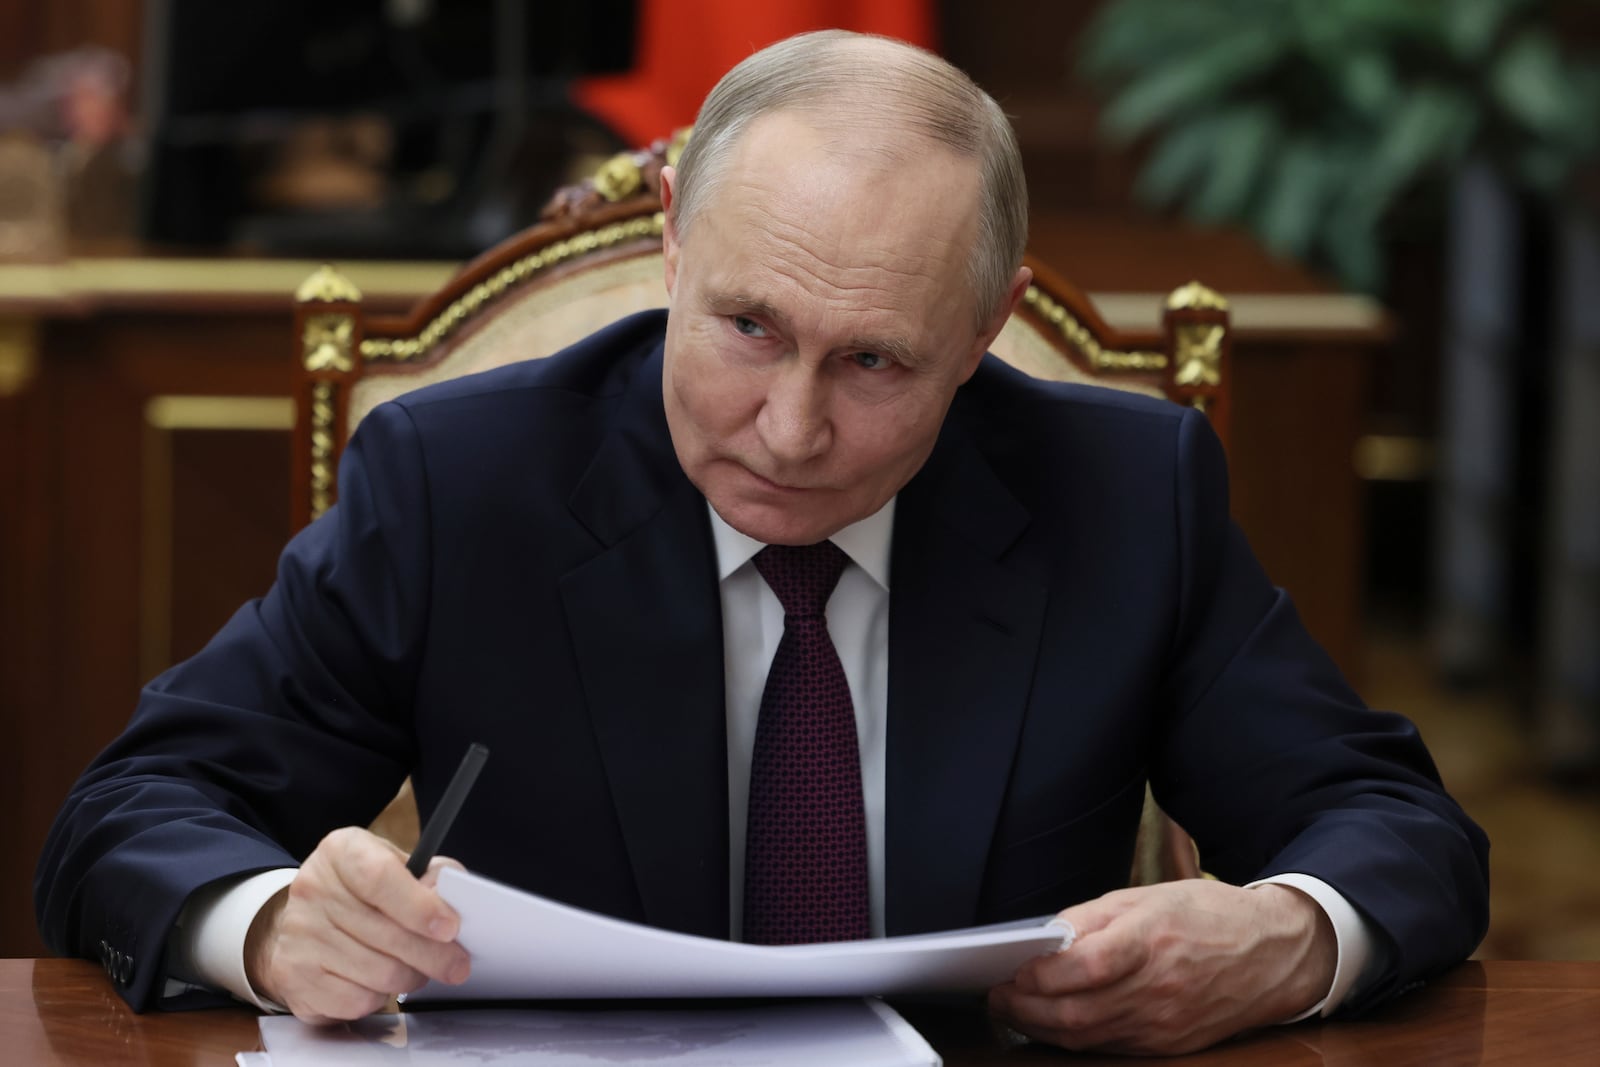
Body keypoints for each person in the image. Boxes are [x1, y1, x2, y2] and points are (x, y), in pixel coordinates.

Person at [35, 30, 1488, 1055]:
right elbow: (137, 813)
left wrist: (1293, 938)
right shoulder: (458, 481)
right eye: (747, 329)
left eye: (876, 365)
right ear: (671, 244)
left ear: (982, 335)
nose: (788, 432)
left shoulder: (1124, 489)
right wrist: (273, 918)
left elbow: (1397, 829)